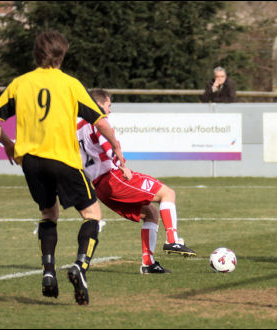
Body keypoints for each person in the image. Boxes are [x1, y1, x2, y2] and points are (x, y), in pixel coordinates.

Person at [0, 31, 125, 305]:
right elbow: (99, 120)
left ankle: (48, 271)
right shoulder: (70, 85)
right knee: (92, 214)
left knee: (49, 214)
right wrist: (116, 145)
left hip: (31, 162)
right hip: (63, 160)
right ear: (63, 55)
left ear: (36, 53)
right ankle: (80, 267)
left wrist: (8, 144)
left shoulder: (20, 83)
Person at [76, 89, 196, 274]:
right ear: (99, 105)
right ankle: (172, 240)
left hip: (100, 187)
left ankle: (148, 264)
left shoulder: (77, 126)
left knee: (151, 214)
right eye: (109, 105)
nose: (110, 111)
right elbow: (108, 145)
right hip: (113, 177)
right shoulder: (98, 122)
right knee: (167, 193)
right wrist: (121, 166)